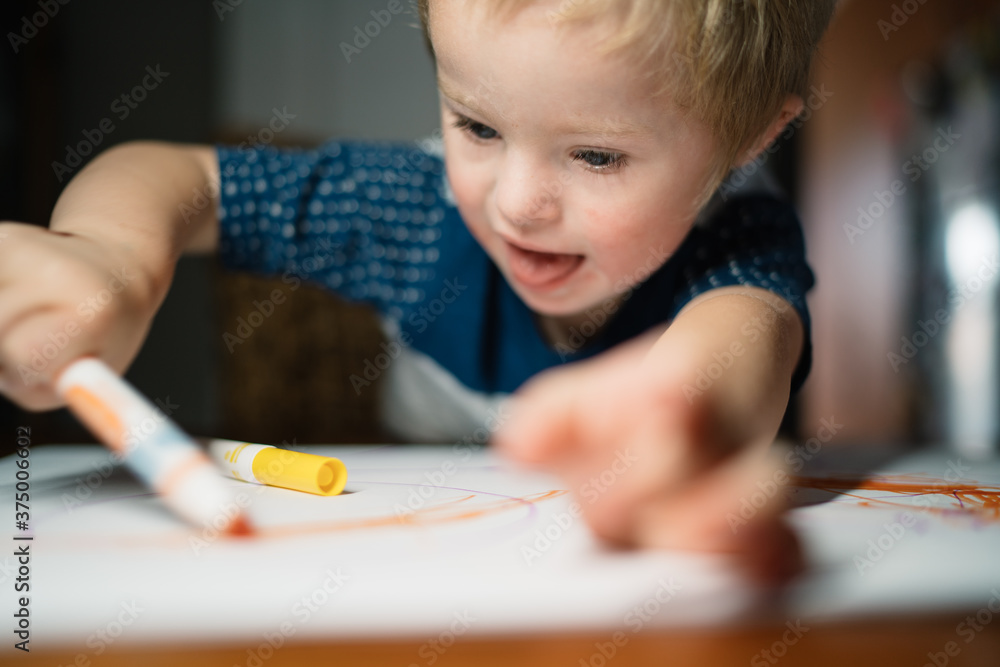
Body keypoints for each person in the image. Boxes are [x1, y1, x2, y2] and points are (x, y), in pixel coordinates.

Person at [0, 0, 836, 582]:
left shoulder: (739, 233)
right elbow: (181, 177)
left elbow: (741, 344)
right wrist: (108, 254)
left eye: (596, 156)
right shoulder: (415, 205)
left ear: (750, 137)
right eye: (477, 126)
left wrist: (675, 415)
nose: (514, 204)